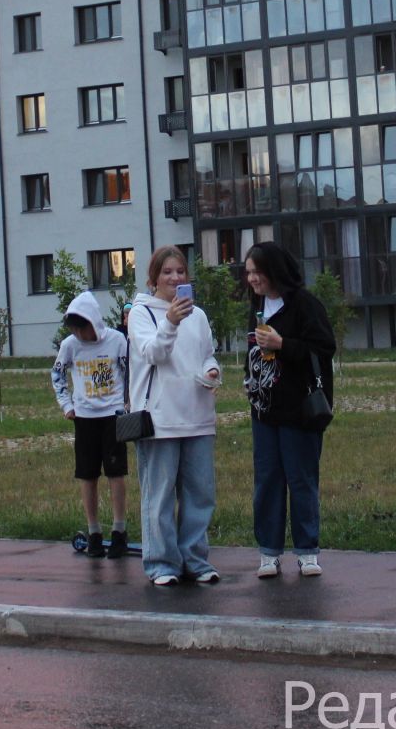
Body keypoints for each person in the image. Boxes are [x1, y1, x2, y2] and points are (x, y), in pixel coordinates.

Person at [126, 245, 222, 587]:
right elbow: (152, 352)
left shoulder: (198, 315)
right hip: (159, 418)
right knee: (160, 493)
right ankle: (162, 563)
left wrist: (211, 372)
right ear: (154, 278)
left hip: (197, 413)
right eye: (167, 272)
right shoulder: (141, 313)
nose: (175, 278)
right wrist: (170, 321)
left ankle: (196, 560)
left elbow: (208, 355)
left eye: (180, 271)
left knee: (199, 493)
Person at [241, 240, 336, 579]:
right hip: (264, 410)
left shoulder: (304, 304)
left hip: (300, 410)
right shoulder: (257, 307)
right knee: (267, 479)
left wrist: (283, 345)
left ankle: (307, 551)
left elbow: (325, 346)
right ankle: (269, 552)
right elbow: (254, 351)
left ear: (274, 271)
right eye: (248, 273)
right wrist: (248, 378)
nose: (252, 279)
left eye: (257, 272)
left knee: (301, 478)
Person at [50, 291, 130, 558]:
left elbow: (130, 371)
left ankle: (119, 530)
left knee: (116, 473)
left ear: (93, 322)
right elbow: (57, 374)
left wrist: (128, 402)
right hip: (84, 417)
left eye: (82, 328)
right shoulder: (70, 346)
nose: (79, 335)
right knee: (87, 474)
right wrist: (66, 405)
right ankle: (94, 531)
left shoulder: (117, 341)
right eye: (74, 329)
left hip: (113, 414)